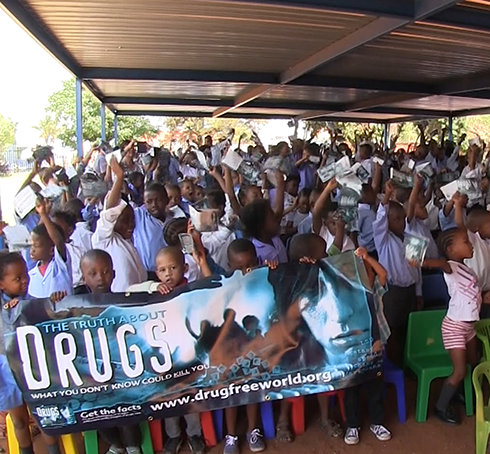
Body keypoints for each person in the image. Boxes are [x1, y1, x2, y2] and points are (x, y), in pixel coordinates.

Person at [73, 249, 144, 454]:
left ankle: (133, 447)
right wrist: (56, 299)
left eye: (105, 272)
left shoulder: (124, 301)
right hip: (94, 375)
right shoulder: (76, 306)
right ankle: (116, 445)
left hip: (124, 373)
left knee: (126, 409)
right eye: (93, 273)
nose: (100, 278)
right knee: (94, 410)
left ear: (113, 274)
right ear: (83, 278)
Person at [0, 252, 61, 454]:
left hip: (35, 369)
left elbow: (49, 315)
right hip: (7, 372)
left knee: (43, 416)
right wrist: (7, 310)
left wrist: (55, 301)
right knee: (19, 421)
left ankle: (54, 451)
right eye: (17, 278)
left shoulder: (32, 301)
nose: (25, 281)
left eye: (25, 275)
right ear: (2, 285)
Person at [420, 228, 482, 424]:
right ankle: (441, 406)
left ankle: (458, 393)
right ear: (450, 249)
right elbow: (442, 264)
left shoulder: (466, 269)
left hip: (469, 327)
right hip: (455, 327)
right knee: (460, 370)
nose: (470, 245)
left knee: (473, 361)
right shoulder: (451, 267)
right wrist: (425, 262)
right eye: (465, 242)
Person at [343, 247, 392, 445]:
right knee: (351, 389)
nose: (365, 278)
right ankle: (352, 425)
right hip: (353, 350)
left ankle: (377, 422)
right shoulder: (347, 297)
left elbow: (383, 273)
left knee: (375, 387)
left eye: (368, 273)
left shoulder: (376, 291)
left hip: (376, 347)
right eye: (359, 274)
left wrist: (367, 258)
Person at [223, 239, 266, 454]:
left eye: (250, 265)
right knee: (231, 393)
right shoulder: (225, 286)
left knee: (252, 389)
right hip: (231, 350)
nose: (245, 271)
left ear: (257, 262)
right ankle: (231, 436)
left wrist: (270, 270)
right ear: (229, 267)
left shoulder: (261, 281)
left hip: (254, 349)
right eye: (239, 267)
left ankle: (253, 429)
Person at [372, 180, 420, 365]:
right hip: (393, 291)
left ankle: (408, 362)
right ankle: (394, 364)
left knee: (410, 327)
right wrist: (386, 196)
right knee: (392, 329)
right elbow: (379, 221)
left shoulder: (411, 238)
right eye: (396, 219)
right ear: (387, 222)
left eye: (402, 218)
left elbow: (417, 269)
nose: (401, 222)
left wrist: (419, 292)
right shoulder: (383, 240)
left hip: (410, 290)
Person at [91, 156, 146, 292]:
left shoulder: (127, 242)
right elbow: (109, 210)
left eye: (132, 220)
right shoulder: (104, 239)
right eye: (125, 221)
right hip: (118, 301)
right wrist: (119, 177)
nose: (131, 224)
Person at [28, 198, 73, 298]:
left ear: (52, 250)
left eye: (36, 246)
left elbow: (58, 241)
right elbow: (39, 234)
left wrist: (44, 215)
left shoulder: (59, 265)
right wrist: (43, 215)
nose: (32, 250)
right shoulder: (30, 275)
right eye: (32, 245)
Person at [132, 182, 170, 274]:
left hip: (168, 272)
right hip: (146, 272)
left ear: (167, 200)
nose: (154, 205)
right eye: (149, 202)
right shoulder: (139, 216)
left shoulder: (175, 218)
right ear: (144, 203)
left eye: (158, 200)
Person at [312, 179, 355, 255]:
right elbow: (316, 212)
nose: (337, 225)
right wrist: (327, 190)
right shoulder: (322, 233)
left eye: (341, 221)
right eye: (333, 223)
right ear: (325, 223)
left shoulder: (347, 240)